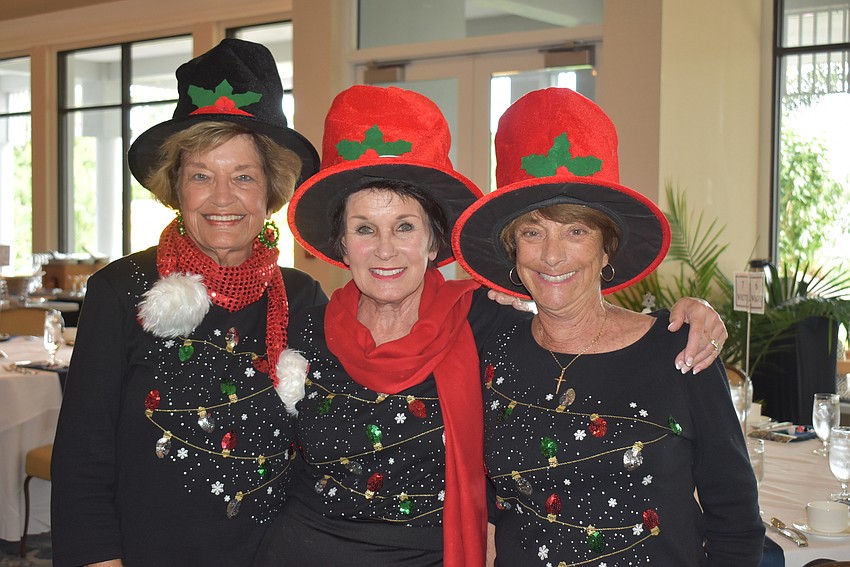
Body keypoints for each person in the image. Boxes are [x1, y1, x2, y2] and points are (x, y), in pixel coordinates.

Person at [254, 85, 729, 567]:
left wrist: (694, 311)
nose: (384, 250)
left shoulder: (485, 323)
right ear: (340, 243)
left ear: (434, 240)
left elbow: (571, 314)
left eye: (404, 227)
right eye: (364, 229)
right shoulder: (301, 329)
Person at [452, 87, 764, 565]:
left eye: (575, 231)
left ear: (606, 249)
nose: (552, 255)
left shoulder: (680, 350)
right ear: (514, 252)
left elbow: (736, 522)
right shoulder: (488, 339)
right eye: (533, 234)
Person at [50, 39, 327, 567]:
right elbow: (84, 456)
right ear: (175, 185)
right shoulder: (122, 288)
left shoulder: (302, 295)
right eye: (202, 175)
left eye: (243, 176)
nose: (222, 198)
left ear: (270, 188)